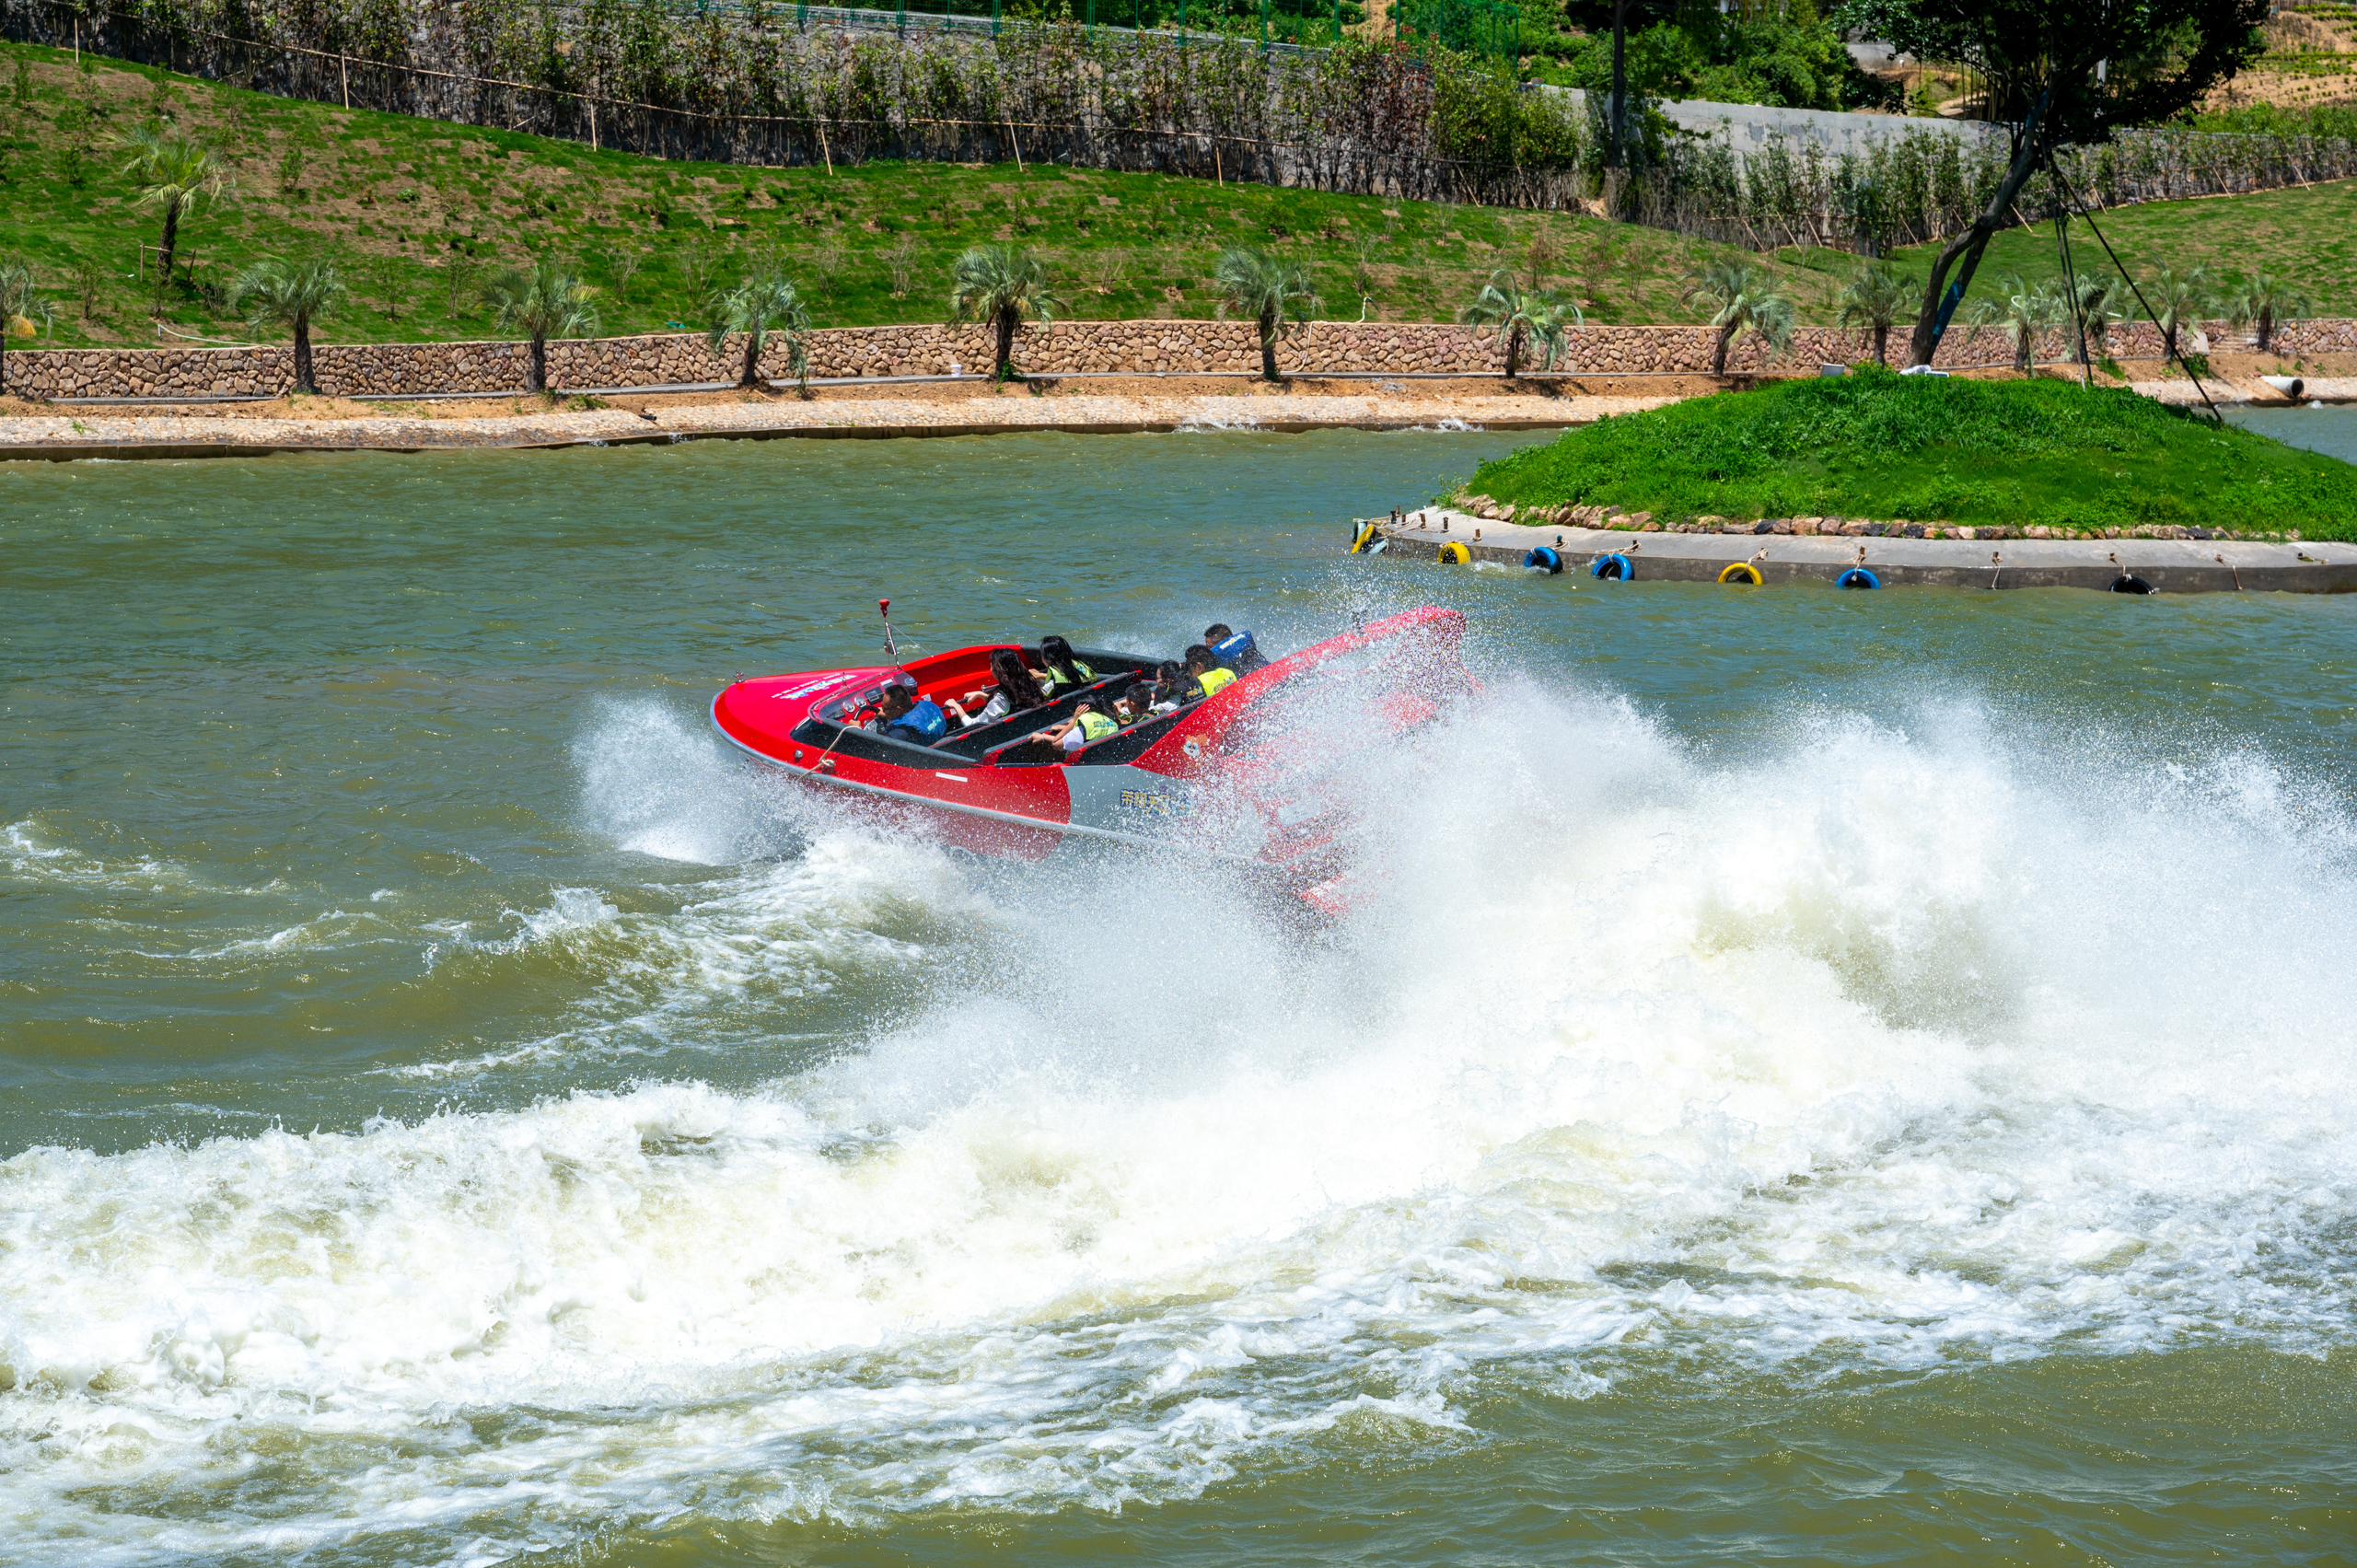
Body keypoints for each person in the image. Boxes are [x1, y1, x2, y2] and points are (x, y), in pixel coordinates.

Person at [945, 649, 1049, 729]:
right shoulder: (1029, 682)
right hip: (1026, 726)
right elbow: (1006, 705)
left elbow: (972, 725)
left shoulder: (1000, 700)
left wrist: (956, 706)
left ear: (997, 670)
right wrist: (980, 694)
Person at [869, 682, 947, 745]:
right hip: (942, 743)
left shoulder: (901, 732)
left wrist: (857, 729)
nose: (882, 709)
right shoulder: (929, 705)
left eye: (884, 708)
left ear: (897, 710)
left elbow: (879, 749)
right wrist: (889, 714)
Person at [1038, 697, 1120, 756]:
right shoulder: (1111, 722)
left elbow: (1056, 743)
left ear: (1078, 711)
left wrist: (1074, 721)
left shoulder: (1084, 721)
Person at [1202, 623, 1269, 674]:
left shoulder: (1225, 665)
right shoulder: (1244, 647)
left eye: (1209, 647)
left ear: (1222, 644)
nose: (1208, 651)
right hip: (1268, 671)